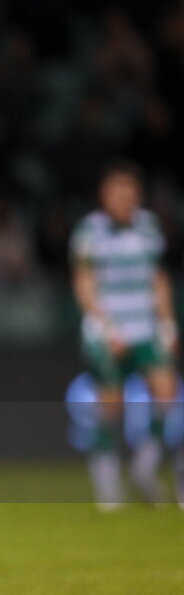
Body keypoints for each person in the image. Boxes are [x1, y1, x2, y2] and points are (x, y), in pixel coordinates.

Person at [70, 161, 179, 509]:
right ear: (104, 195)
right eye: (116, 190)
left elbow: (157, 276)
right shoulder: (90, 231)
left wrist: (167, 323)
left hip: (145, 326)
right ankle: (107, 483)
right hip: (109, 329)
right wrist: (104, 327)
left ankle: (145, 468)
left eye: (128, 189)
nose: (123, 197)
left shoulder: (148, 226)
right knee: (111, 407)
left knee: (167, 392)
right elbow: (84, 281)